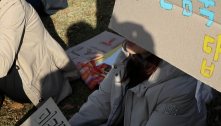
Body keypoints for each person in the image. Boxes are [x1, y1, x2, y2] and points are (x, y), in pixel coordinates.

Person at [70, 39, 208, 126]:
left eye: (141, 27)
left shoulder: (181, 86)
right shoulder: (129, 54)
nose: (129, 32)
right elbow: (102, 100)